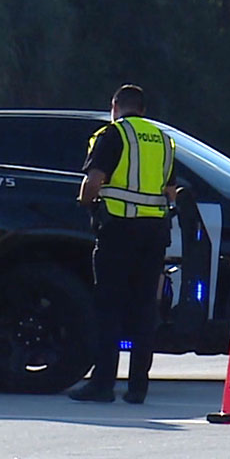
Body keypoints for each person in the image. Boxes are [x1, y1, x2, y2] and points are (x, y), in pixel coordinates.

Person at [69, 84, 177, 404]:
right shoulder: (163, 140)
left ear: (115, 106)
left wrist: (86, 205)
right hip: (155, 232)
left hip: (118, 230)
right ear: (142, 109)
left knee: (109, 307)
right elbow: (171, 192)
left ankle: (102, 385)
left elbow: (94, 182)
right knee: (145, 308)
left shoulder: (113, 134)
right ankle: (138, 387)